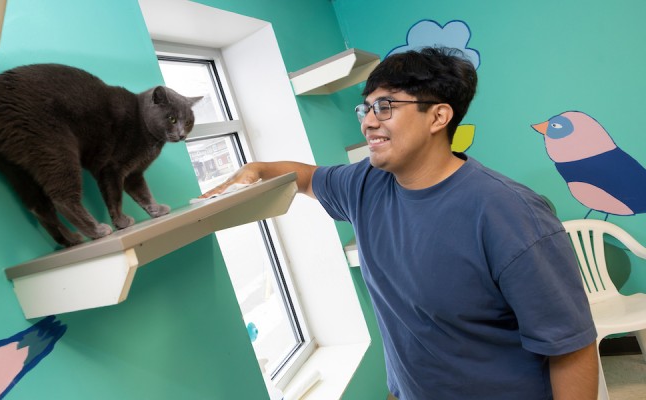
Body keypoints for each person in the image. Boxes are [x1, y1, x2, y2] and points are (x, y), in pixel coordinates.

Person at [201, 47, 599, 399]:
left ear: (438, 116)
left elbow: (570, 348)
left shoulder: (510, 214)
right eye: (366, 108)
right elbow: (303, 177)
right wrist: (256, 169)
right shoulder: (365, 184)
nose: (368, 122)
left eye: (386, 107)